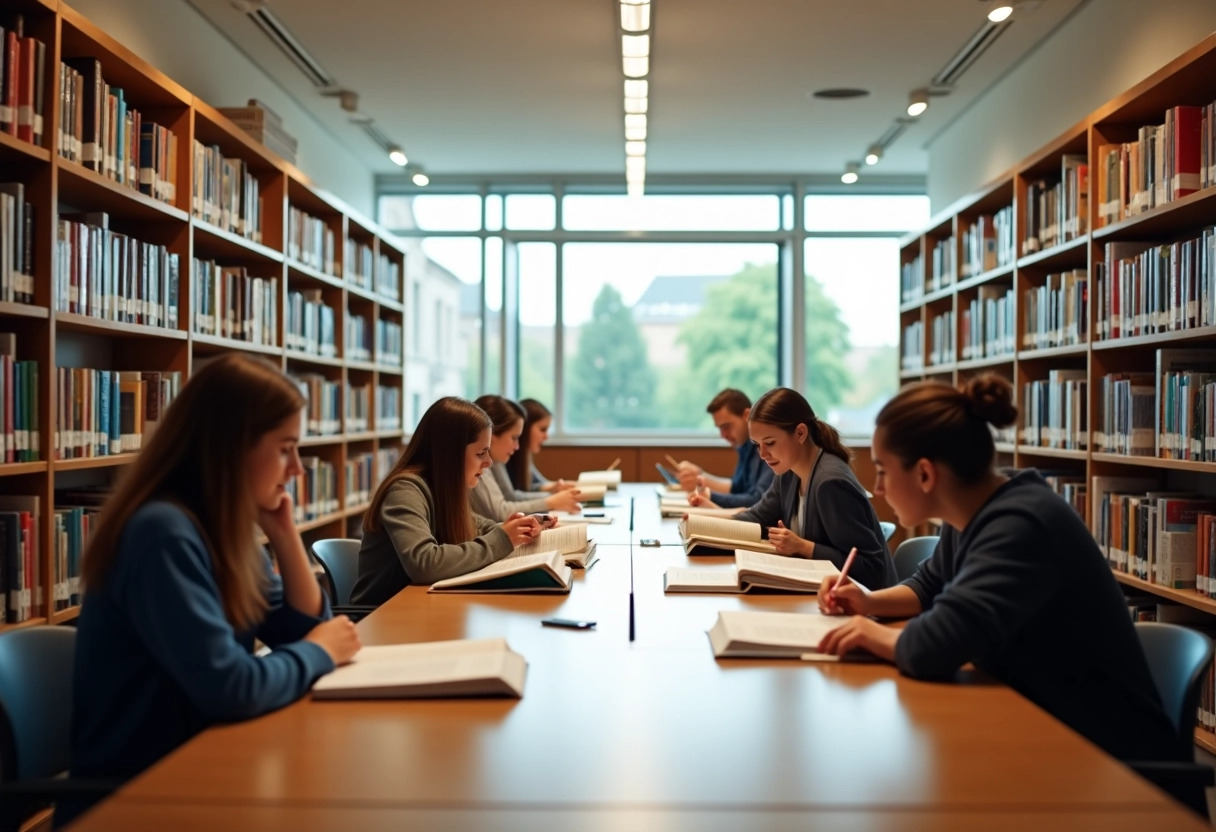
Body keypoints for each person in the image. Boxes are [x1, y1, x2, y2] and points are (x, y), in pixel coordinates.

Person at [817, 374, 1178, 763]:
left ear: (924, 473)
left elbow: (935, 646)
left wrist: (870, 635)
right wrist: (867, 602)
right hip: (1041, 731)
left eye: (883, 470)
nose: (881, 488)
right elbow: (928, 587)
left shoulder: (1023, 524)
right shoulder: (974, 511)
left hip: (1108, 763)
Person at [69, 354, 361, 822]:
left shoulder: (220, 528)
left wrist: (285, 535)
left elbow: (303, 629)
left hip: (201, 762)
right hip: (140, 795)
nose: (299, 470)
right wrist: (321, 651)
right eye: (286, 448)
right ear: (232, 447)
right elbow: (232, 686)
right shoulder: (162, 533)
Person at [352, 397, 542, 606]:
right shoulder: (404, 491)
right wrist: (503, 538)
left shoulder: (442, 488)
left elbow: (477, 525)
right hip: (381, 617)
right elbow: (425, 562)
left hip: (420, 606)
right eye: (480, 453)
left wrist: (518, 528)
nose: (488, 462)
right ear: (449, 454)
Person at [701, 387, 895, 590]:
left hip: (864, 604)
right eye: (757, 445)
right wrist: (704, 523)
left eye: (770, 443)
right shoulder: (788, 471)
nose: (763, 454)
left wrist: (804, 547)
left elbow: (871, 567)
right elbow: (756, 518)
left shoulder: (830, 483)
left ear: (800, 433)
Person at [470, 395, 582, 520]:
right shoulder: (481, 464)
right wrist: (550, 501)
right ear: (492, 434)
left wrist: (553, 492)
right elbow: (502, 509)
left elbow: (484, 523)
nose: (517, 446)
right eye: (514, 437)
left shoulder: (493, 458)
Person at [673, 388, 773, 508]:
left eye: (726, 427)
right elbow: (737, 487)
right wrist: (700, 477)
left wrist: (708, 495)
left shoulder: (766, 447)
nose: (723, 435)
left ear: (747, 415)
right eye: (719, 428)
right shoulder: (745, 446)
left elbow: (758, 500)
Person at [506, 398, 576, 493]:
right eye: (543, 429)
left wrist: (558, 487)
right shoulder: (504, 458)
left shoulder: (524, 457)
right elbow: (512, 497)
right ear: (524, 428)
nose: (546, 437)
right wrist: (552, 496)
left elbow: (538, 484)